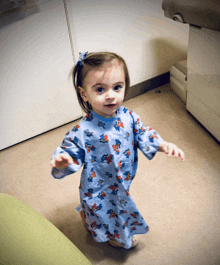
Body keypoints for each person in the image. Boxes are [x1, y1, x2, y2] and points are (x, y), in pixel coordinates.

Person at [51, 52, 185, 249]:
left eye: (117, 87)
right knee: (109, 209)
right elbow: (70, 148)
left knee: (105, 207)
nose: (111, 95)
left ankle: (87, 216)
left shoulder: (128, 116)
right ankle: (118, 237)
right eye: (100, 89)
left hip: (122, 177)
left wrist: (163, 145)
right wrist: (65, 160)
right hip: (97, 183)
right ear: (84, 94)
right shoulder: (83, 130)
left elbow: (143, 134)